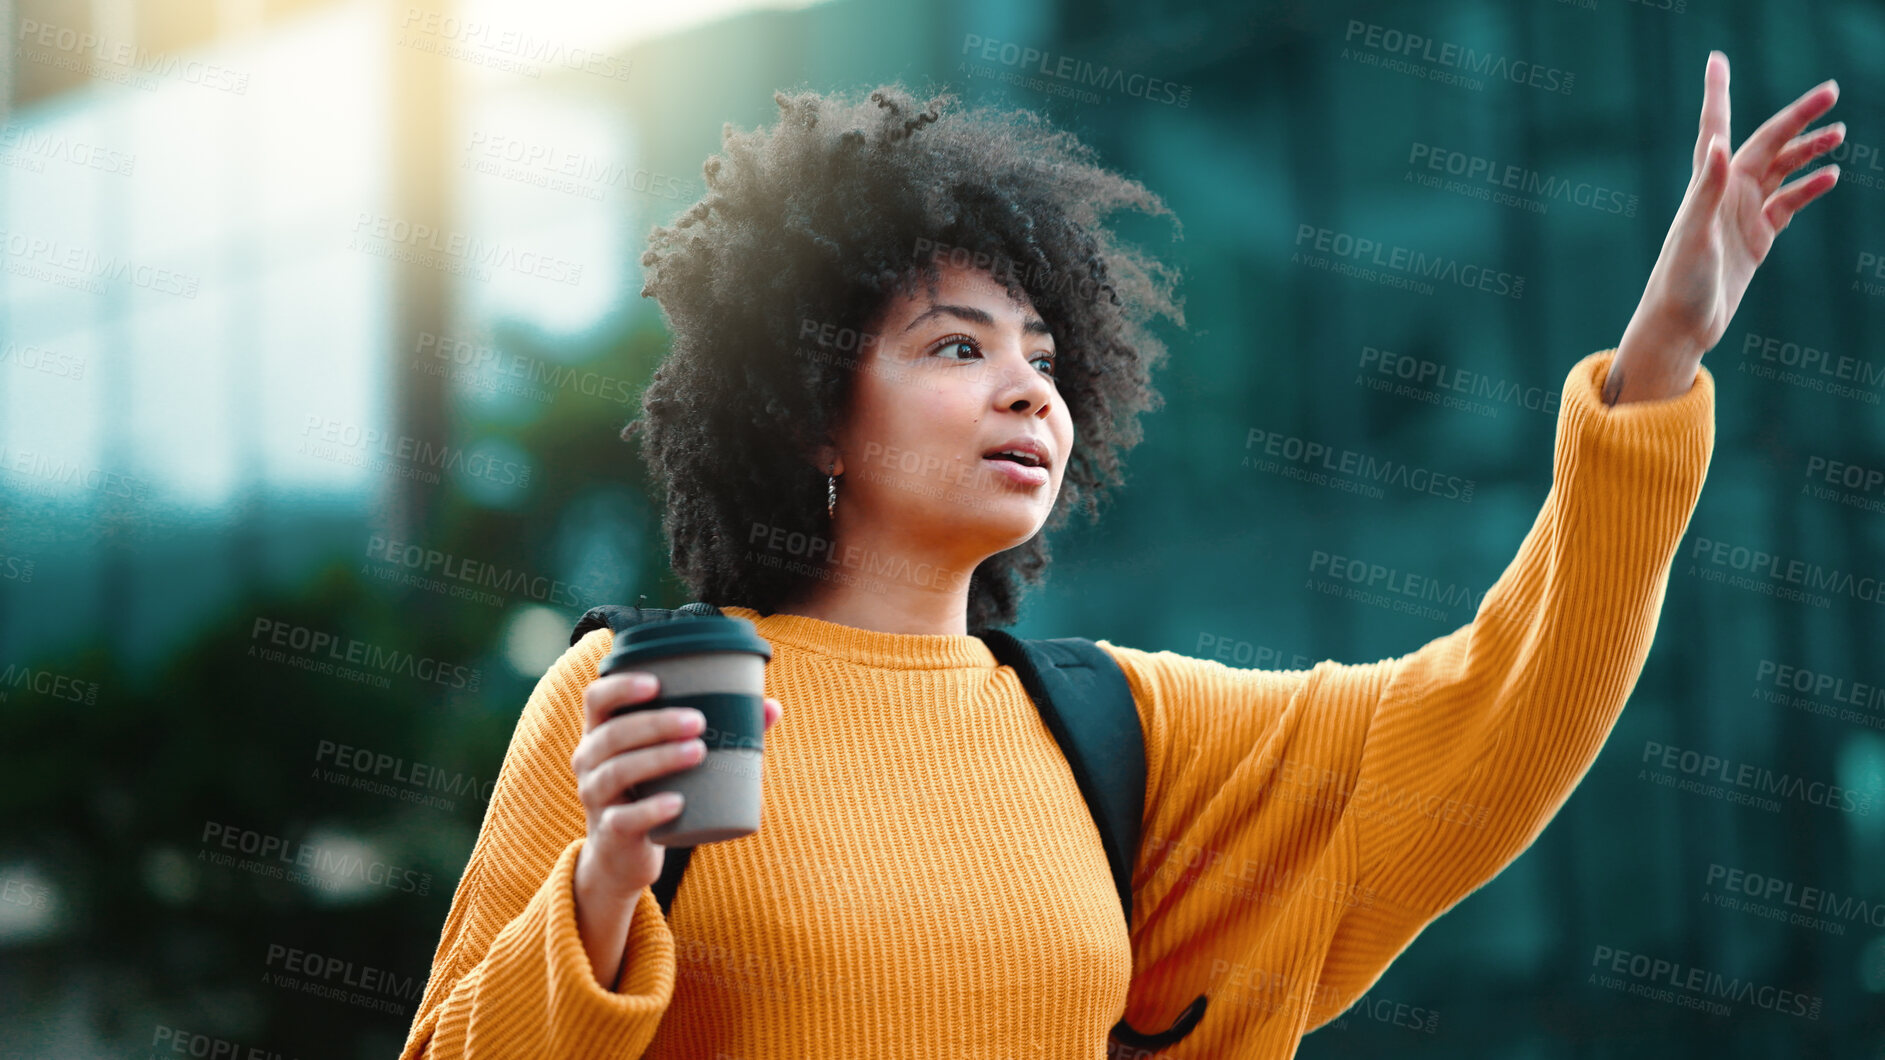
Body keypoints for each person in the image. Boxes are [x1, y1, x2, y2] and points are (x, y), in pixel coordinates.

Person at [401, 52, 1842, 1059]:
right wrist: (600, 891)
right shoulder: (637, 701)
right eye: (954, 348)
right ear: (808, 410)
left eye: (1042, 353)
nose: (1028, 389)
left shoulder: (1109, 733)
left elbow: (1491, 713)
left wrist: (1652, 371)